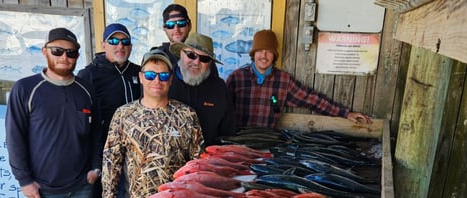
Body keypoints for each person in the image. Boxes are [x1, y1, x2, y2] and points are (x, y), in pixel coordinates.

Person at [5, 27, 99, 198]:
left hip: (81, 186)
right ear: (45, 52)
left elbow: (94, 133)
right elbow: (14, 137)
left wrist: (95, 167)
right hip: (43, 189)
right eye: (57, 51)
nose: (64, 57)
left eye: (71, 52)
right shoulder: (26, 89)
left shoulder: (85, 89)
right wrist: (24, 180)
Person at [102, 49, 204, 198]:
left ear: (170, 80)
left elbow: (197, 165)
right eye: (150, 75)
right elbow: (111, 161)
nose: (157, 80)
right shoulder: (124, 114)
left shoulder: (187, 115)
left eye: (163, 76)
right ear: (141, 77)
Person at [76, 23, 141, 198]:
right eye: (113, 41)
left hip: (131, 161)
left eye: (125, 41)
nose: (119, 46)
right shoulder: (88, 75)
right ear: (103, 45)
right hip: (99, 158)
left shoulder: (138, 73)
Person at [226, 29, 372, 129]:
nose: (264, 56)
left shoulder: (283, 81)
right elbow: (221, 109)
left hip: (266, 144)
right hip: (238, 144)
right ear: (253, 53)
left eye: (269, 51)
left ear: (274, 55)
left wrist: (345, 113)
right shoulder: (236, 77)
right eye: (260, 51)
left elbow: (312, 99)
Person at [169, 32, 236, 147]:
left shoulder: (219, 88)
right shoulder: (162, 82)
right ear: (181, 53)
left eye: (204, 58)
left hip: (207, 161)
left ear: (210, 63)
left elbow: (228, 134)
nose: (196, 62)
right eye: (191, 55)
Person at [151, 4, 218, 76]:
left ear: (189, 26)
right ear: (164, 28)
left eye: (181, 23)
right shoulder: (157, 55)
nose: (176, 29)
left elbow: (214, 85)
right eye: (170, 25)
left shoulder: (204, 56)